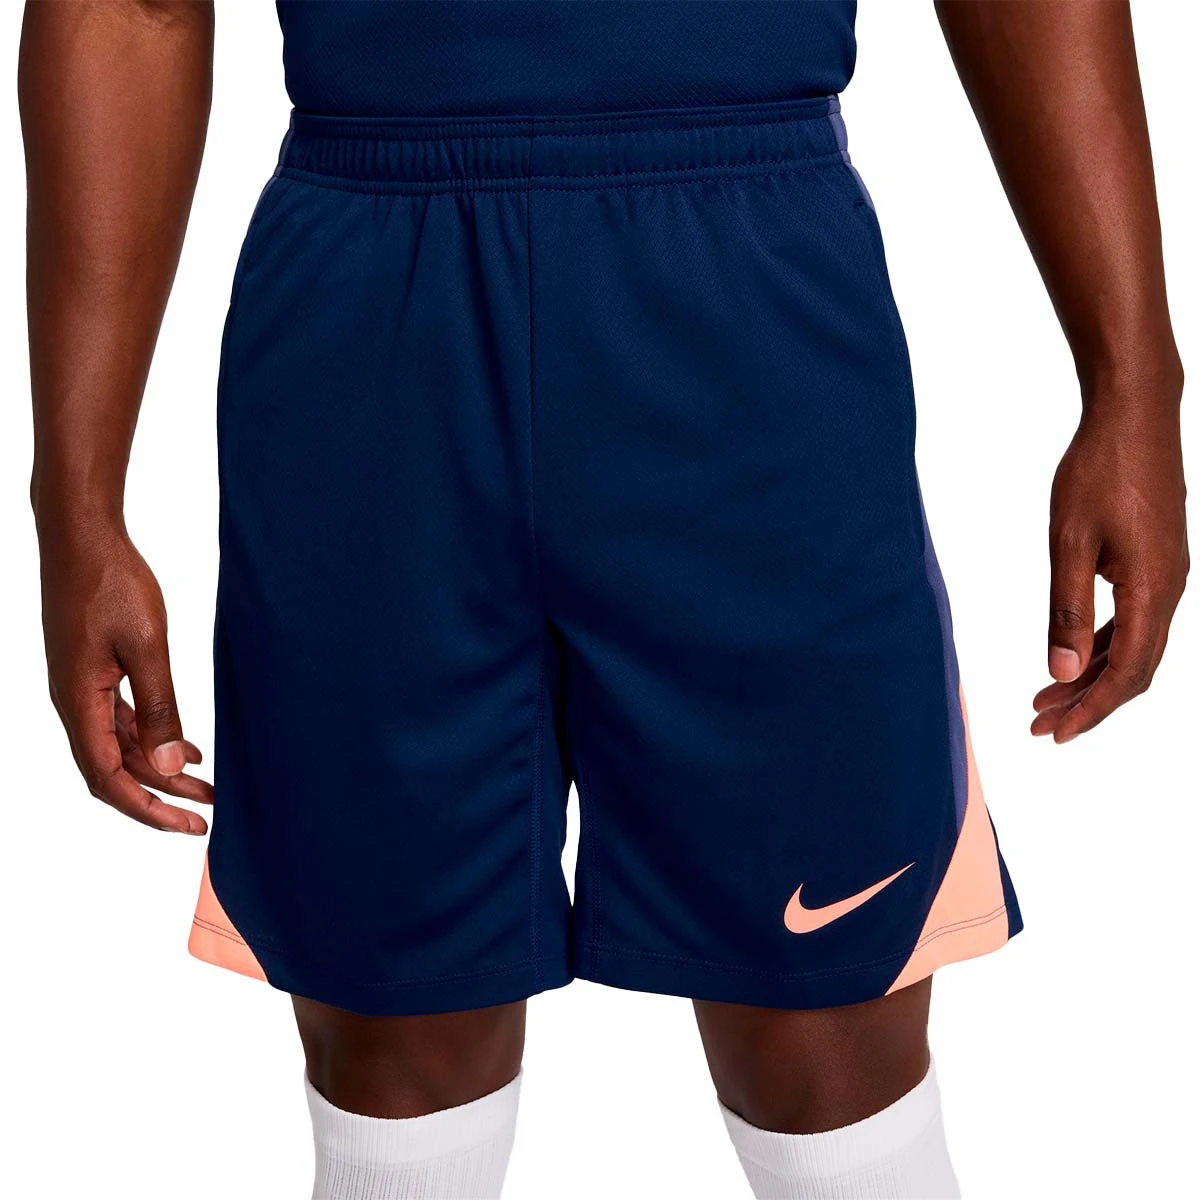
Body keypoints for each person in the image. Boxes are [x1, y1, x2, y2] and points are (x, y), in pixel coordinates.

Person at [21, 3, 1186, 1198]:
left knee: (830, 1036)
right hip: (374, 317)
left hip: (748, 291)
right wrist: (76, 502)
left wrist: (1134, 380)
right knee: (397, 1050)